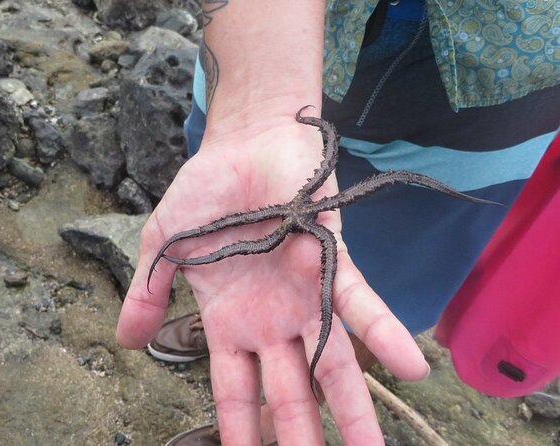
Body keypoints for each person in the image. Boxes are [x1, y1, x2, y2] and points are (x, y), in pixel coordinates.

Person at [116, 0, 560, 444]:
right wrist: (256, 113)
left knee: (385, 284)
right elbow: (234, 233)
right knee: (240, 246)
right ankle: (236, 313)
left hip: (501, 85)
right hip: (281, 44)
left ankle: (299, 396)